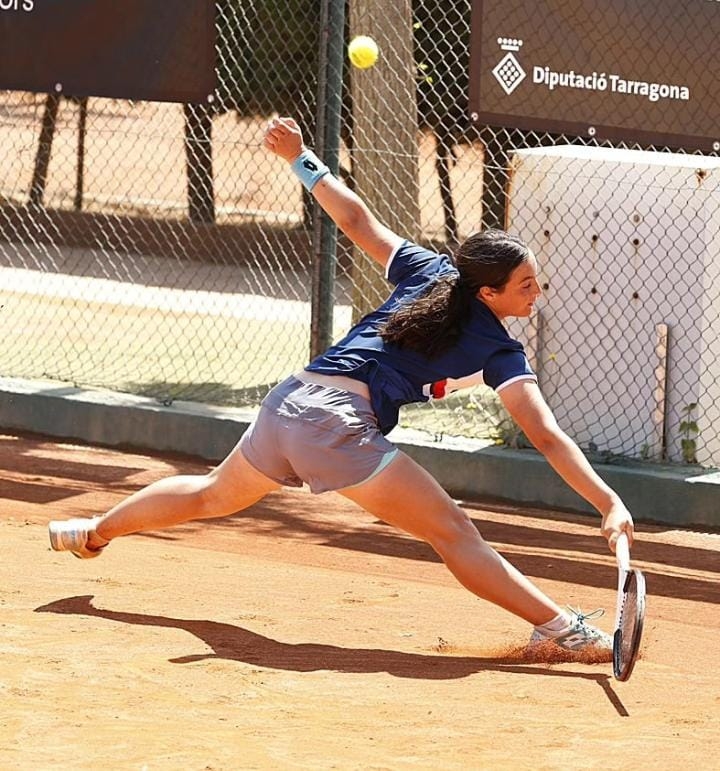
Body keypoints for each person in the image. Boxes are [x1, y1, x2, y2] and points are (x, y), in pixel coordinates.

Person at [49, 116, 634, 654]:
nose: (538, 292)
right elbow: (547, 436)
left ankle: (91, 532)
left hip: (289, 403)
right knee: (453, 532)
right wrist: (607, 502)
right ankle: (563, 630)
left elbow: (357, 221)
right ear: (488, 292)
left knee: (210, 494)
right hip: (333, 425)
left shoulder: (432, 272)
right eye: (527, 284)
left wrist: (301, 159)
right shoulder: (499, 349)